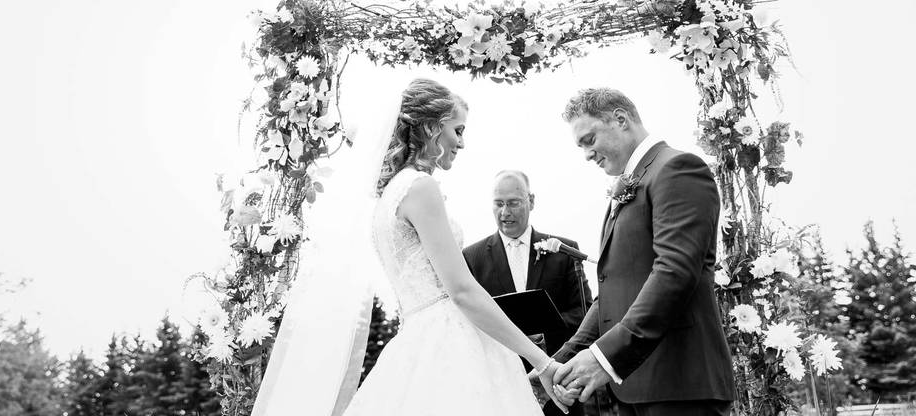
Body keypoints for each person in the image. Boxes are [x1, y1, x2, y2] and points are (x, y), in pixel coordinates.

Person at [252, 78, 565, 415]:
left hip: (415, 341)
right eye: (457, 130)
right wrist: (542, 362)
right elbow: (462, 291)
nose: (462, 142)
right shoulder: (420, 187)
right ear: (432, 127)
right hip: (450, 343)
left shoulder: (388, 198)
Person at [550, 88, 735, 416]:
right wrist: (558, 363)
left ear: (620, 119)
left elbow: (673, 273)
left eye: (589, 140)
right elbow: (613, 289)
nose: (587, 155)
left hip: (679, 388)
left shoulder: (677, 169)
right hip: (634, 389)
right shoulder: (632, 182)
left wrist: (604, 358)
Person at [463, 170, 593, 416]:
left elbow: (584, 311)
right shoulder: (471, 258)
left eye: (513, 203)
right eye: (498, 203)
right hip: (501, 383)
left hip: (560, 380)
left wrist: (545, 328)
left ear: (531, 201)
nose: (505, 212)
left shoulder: (564, 251)